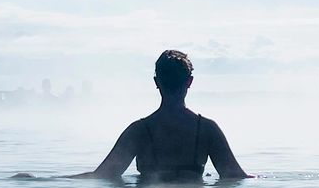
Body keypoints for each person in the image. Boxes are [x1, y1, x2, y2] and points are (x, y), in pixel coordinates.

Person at [82, 50, 248, 181]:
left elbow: (103, 175)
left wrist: (57, 180)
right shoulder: (206, 129)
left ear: (156, 82)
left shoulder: (138, 131)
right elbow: (234, 176)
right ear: (189, 82)